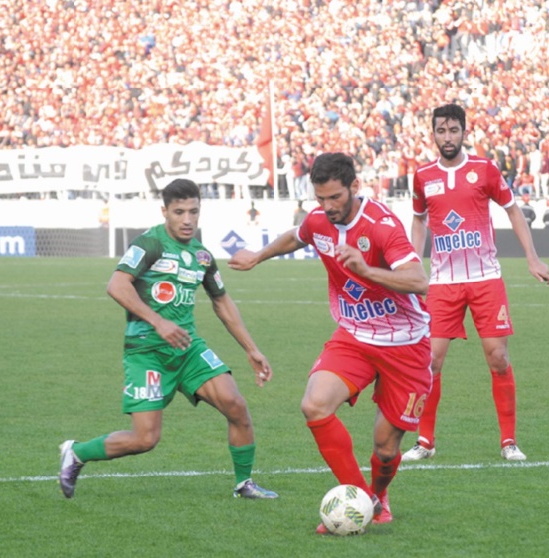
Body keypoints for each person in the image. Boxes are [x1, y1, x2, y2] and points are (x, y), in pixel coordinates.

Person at [227, 152, 432, 533]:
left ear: (354, 187)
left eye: (335, 197)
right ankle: (360, 500)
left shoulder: (382, 225)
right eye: (320, 199)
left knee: (386, 448)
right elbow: (297, 235)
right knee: (315, 405)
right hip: (354, 336)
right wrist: (258, 256)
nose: (328, 207)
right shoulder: (320, 219)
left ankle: (379, 493)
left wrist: (368, 270)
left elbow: (420, 280)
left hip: (405, 344)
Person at [59, 179, 278, 500]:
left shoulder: (202, 256)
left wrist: (252, 349)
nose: (187, 219)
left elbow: (222, 302)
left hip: (187, 350)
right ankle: (76, 452)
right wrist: (158, 321)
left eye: (193, 211)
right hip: (147, 352)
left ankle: (244, 483)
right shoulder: (149, 244)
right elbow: (117, 285)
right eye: (179, 212)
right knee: (145, 439)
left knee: (236, 405)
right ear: (165, 211)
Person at [404, 103, 549, 463]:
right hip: (442, 282)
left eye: (454, 130)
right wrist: (411, 265)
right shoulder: (423, 176)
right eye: (441, 130)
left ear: (464, 132)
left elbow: (513, 209)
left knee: (498, 358)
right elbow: (420, 221)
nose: (448, 137)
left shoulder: (484, 169)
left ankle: (508, 442)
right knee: (431, 362)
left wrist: (532, 257)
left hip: (485, 279)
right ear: (434, 134)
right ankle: (425, 442)